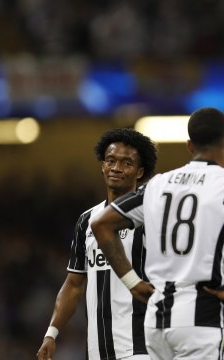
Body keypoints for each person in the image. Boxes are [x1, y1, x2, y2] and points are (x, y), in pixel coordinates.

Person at [89, 107, 224, 360]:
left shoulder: (158, 183)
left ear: (189, 146)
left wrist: (132, 283)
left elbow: (101, 223)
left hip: (156, 323)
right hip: (203, 317)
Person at [37, 128, 158, 360]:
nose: (116, 168)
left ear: (140, 171)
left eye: (126, 163)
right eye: (110, 160)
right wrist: (51, 333)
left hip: (141, 347)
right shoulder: (87, 220)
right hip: (97, 351)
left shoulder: (151, 216)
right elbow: (73, 284)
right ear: (102, 165)